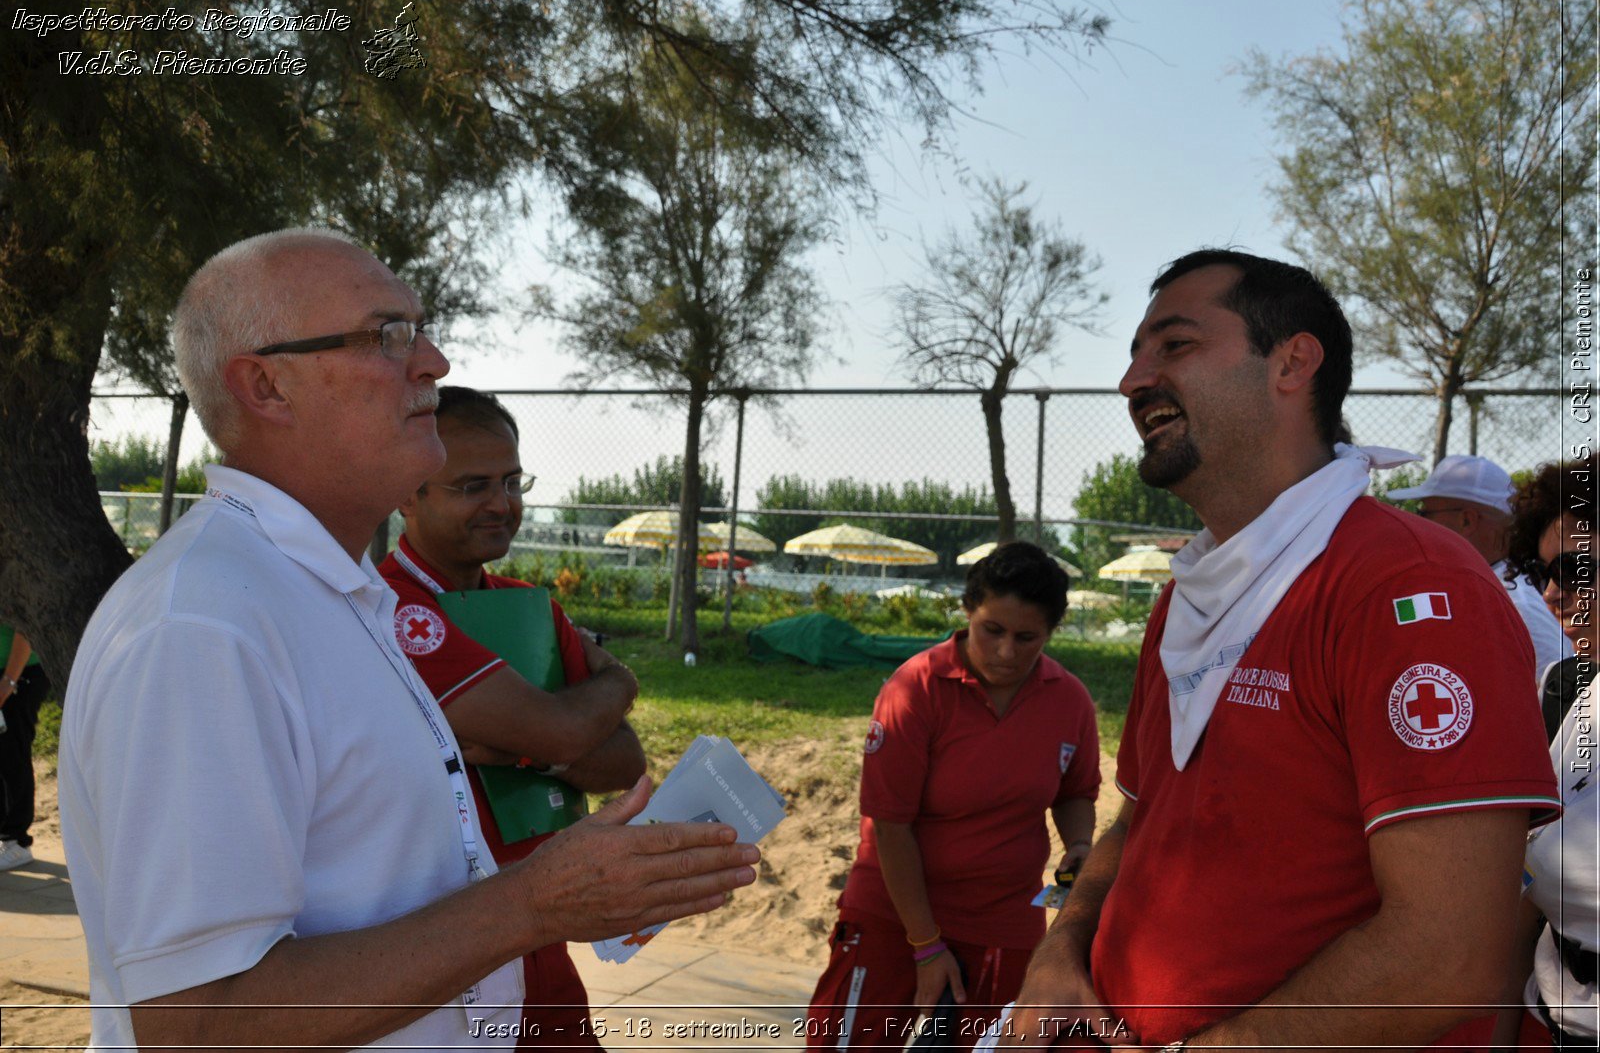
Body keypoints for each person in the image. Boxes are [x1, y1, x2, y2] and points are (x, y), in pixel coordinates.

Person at [59, 228, 758, 1050]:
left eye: (419, 329)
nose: (432, 361)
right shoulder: (204, 626)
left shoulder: (330, 592)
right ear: (266, 386)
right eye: (386, 336)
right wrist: (533, 901)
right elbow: (197, 1022)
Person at [996, 249, 1560, 1050]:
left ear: (1293, 362)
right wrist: (1060, 948)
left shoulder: (1409, 585)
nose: (1132, 380)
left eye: (1174, 345)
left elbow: (1449, 953)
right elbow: (1144, 813)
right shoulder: (1189, 592)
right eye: (1134, 354)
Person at [380, 385, 645, 1048]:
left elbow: (625, 759)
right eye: (473, 485)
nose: (502, 504)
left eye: (511, 481)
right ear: (407, 492)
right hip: (434, 938)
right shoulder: (389, 608)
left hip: (541, 930)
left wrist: (527, 746)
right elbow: (568, 729)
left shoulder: (530, 608)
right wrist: (616, 679)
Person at [808, 540, 1100, 1050]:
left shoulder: (1069, 699)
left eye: (1027, 637)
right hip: (893, 914)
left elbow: (1076, 791)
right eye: (993, 630)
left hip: (1002, 922)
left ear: (1052, 632)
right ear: (967, 612)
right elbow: (889, 827)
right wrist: (924, 944)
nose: (1007, 652)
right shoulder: (914, 690)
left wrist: (1078, 842)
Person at [1493, 456, 1597, 1048]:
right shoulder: (1566, 690)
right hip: (1552, 1025)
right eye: (1542, 571)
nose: (1552, 593)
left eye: (1575, 570)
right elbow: (1525, 901)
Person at [1388, 454, 1573, 679]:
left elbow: (1562, 694)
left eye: (1425, 513)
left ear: (1467, 520)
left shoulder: (1516, 602)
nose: (1419, 523)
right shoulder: (1485, 584)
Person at [0, 624, 47, 871]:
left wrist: (7, 683)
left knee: (11, 757)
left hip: (19, 674)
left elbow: (25, 627)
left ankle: (17, 843)